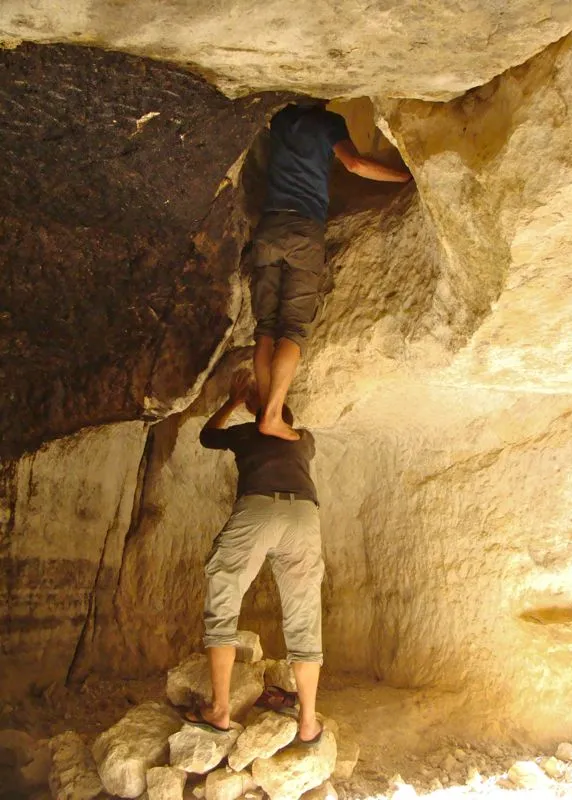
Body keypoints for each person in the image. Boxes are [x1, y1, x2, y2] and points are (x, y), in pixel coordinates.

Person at [253, 100, 413, 441]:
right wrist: (406, 176)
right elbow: (354, 163)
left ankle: (270, 411)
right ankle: (271, 416)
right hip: (303, 230)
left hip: (268, 227)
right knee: (293, 328)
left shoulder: (281, 119)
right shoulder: (329, 123)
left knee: (265, 326)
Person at [185, 370, 324, 744]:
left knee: (224, 595)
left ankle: (219, 710)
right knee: (304, 614)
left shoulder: (247, 434)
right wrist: (258, 403)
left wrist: (233, 402)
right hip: (303, 518)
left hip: (258, 509)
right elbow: (265, 426)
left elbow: (207, 435)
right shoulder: (304, 440)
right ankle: (308, 723)